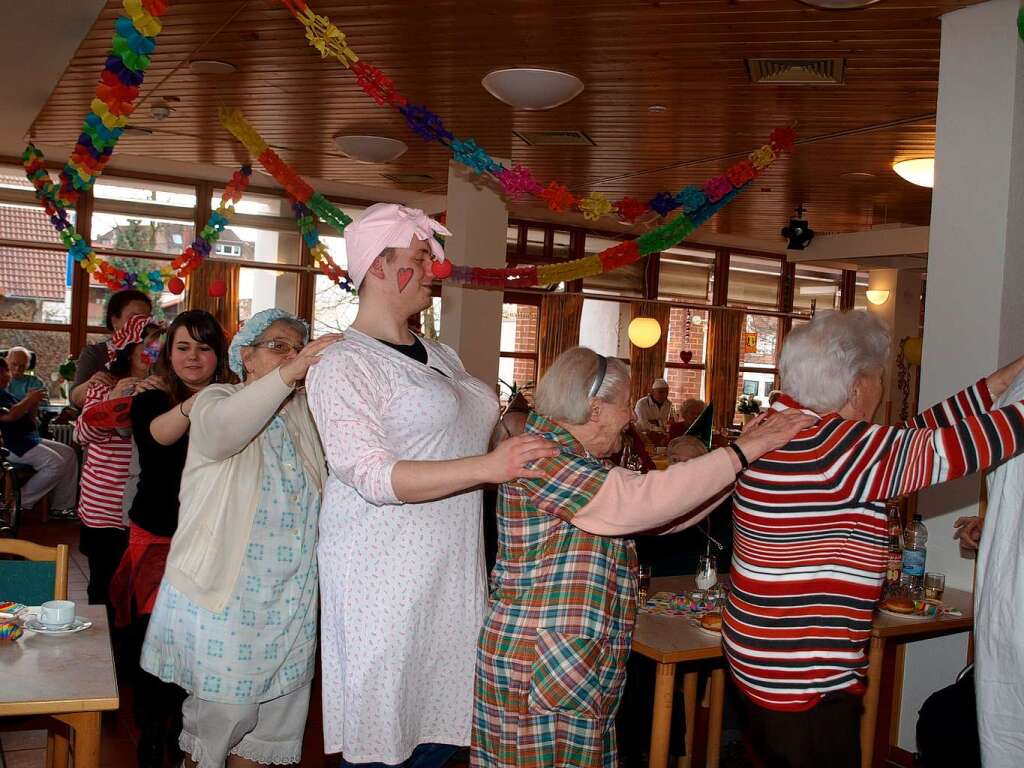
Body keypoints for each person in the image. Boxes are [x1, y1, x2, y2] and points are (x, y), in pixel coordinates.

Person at [471, 346, 813, 767]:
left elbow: (661, 516)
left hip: (558, 665)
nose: (631, 417)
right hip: (542, 666)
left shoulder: (576, 459)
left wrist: (741, 461)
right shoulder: (545, 457)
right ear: (595, 409)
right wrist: (740, 453)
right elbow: (641, 501)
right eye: (624, 405)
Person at [306, 203, 559, 767]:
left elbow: (485, 431)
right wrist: (488, 468)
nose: (434, 271)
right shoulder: (345, 365)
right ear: (377, 267)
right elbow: (372, 475)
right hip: (384, 578)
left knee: (441, 730)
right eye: (422, 258)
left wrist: (545, 428)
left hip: (449, 572)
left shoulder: (439, 354)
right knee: (385, 738)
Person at [721, 310, 1024, 768]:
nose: (880, 390)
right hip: (803, 675)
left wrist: (994, 387)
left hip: (762, 657)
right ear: (857, 385)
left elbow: (905, 438)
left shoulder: (780, 424)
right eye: (878, 377)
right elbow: (965, 446)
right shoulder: (840, 448)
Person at [141, 309, 341, 768]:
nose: (291, 355)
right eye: (277, 346)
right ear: (245, 357)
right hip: (228, 600)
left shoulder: (305, 416)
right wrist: (293, 370)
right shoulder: (217, 398)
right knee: (221, 722)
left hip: (291, 599)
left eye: (297, 347)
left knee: (272, 729)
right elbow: (221, 434)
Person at [109, 309, 230, 768]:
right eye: (183, 347)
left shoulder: (233, 400)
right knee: (150, 641)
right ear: (168, 354)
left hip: (210, 541)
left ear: (219, 355)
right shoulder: (150, 400)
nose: (193, 356)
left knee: (197, 643)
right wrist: (194, 404)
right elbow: (158, 441)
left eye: (204, 347)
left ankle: (184, 730)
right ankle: (152, 732)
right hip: (158, 536)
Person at [74, 314, 165, 612]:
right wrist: (114, 397)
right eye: (146, 342)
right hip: (102, 507)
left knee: (140, 589)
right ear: (128, 347)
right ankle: (100, 650)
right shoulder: (103, 385)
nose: (152, 349)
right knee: (103, 585)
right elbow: (82, 434)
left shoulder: (166, 391)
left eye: (158, 344)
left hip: (145, 507)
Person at [0, 356, 77, 516]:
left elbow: (31, 421)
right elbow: (9, 416)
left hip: (27, 439)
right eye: (5, 371)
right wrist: (29, 399)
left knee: (68, 453)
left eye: (6, 371)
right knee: (56, 464)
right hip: (11, 445)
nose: (8, 375)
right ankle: (19, 501)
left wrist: (33, 404)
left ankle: (61, 507)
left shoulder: (6, 393)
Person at [70, 288, 153, 409]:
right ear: (115, 321)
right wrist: (91, 385)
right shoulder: (96, 353)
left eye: (145, 319)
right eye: (134, 318)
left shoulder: (155, 350)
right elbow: (74, 399)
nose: (141, 324)